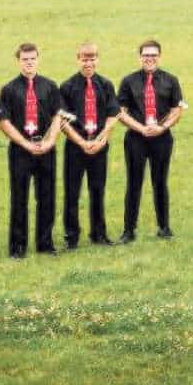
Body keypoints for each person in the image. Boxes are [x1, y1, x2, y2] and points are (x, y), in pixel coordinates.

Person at [116, 39, 185, 243]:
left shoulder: (171, 80)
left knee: (160, 182)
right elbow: (121, 112)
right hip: (136, 138)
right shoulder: (128, 81)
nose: (149, 59)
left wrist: (162, 127)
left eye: (153, 55)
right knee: (134, 183)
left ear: (159, 57)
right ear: (140, 57)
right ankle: (129, 230)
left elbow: (177, 110)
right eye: (146, 55)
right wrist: (141, 129)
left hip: (162, 138)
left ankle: (164, 227)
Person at [0, 42, 62, 259]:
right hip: (20, 151)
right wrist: (25, 144)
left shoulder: (50, 86)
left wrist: (50, 141)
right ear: (18, 61)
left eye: (33, 58)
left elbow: (57, 116)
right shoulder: (8, 89)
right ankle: (18, 247)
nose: (29, 63)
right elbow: (4, 121)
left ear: (38, 59)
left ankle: (45, 243)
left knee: (47, 196)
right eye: (25, 59)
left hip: (46, 149)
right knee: (19, 198)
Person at [58, 43, 119, 250]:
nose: (88, 63)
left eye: (92, 59)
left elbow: (113, 114)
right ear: (78, 60)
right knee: (72, 192)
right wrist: (82, 142)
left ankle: (99, 234)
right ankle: (71, 236)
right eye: (84, 59)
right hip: (76, 147)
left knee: (97, 190)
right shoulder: (67, 87)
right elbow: (63, 121)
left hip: (99, 145)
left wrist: (102, 138)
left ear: (98, 60)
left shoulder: (106, 85)